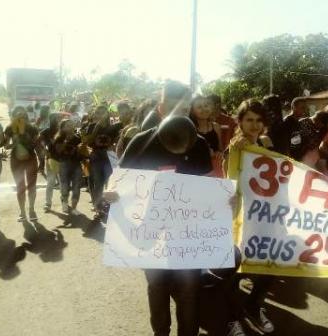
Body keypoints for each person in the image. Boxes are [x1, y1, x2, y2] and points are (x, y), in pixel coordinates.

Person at [111, 80, 209, 336]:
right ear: (161, 108)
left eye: (187, 108)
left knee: (189, 294)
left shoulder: (199, 145)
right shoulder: (142, 142)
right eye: (176, 108)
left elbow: (209, 186)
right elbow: (120, 182)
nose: (182, 113)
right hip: (151, 234)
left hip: (188, 235)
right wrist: (109, 194)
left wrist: (223, 200)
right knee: (158, 289)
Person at [222, 99, 274, 336]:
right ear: (240, 121)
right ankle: (232, 319)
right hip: (238, 216)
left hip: (263, 217)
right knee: (233, 272)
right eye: (249, 120)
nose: (254, 125)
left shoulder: (265, 143)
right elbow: (229, 182)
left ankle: (254, 306)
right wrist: (237, 151)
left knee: (267, 270)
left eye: (258, 120)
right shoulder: (234, 147)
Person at [82, 105, 121, 220]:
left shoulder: (114, 127)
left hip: (110, 157)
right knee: (98, 184)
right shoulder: (92, 126)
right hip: (96, 156)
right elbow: (87, 142)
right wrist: (96, 129)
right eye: (98, 113)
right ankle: (98, 208)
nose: (101, 115)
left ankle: (109, 206)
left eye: (103, 112)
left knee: (111, 183)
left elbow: (118, 142)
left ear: (108, 114)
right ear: (95, 114)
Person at [5, 106, 43, 221]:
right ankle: (22, 212)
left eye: (23, 115)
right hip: (16, 160)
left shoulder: (32, 128)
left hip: (31, 159)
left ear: (26, 116)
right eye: (17, 114)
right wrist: (15, 142)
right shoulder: (9, 128)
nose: (20, 116)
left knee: (32, 186)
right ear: (14, 116)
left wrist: (42, 161)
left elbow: (37, 145)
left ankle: (31, 210)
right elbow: (6, 146)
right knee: (20, 187)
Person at [53, 119, 85, 215]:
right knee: (64, 185)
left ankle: (74, 207)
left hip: (76, 164)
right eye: (67, 125)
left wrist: (82, 144)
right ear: (62, 128)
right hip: (64, 164)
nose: (70, 127)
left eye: (71, 125)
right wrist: (66, 141)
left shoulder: (78, 137)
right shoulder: (59, 138)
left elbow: (82, 150)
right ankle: (64, 202)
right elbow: (58, 151)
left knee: (76, 186)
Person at [189, 96, 223, 177]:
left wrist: (219, 153)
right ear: (193, 111)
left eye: (206, 105)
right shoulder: (190, 129)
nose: (204, 109)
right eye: (199, 107)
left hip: (215, 170)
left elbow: (220, 149)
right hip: (196, 171)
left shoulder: (216, 127)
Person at [39, 112, 65, 212]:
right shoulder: (46, 131)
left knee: (63, 183)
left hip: (63, 160)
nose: (57, 120)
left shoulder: (63, 131)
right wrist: (44, 149)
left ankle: (64, 202)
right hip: (51, 160)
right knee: (50, 182)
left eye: (58, 118)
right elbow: (38, 140)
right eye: (55, 119)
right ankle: (48, 203)